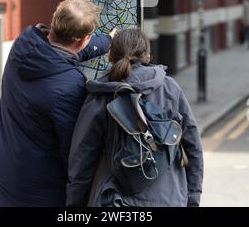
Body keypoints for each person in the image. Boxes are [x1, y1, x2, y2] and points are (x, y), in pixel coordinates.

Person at [0, 0, 114, 207]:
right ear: (83, 40)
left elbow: (58, 54)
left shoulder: (24, 44)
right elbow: (74, 151)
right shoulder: (69, 86)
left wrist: (106, 42)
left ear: (54, 20)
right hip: (38, 184)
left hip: (5, 164)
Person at [67, 28, 204, 207]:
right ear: (148, 57)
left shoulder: (100, 94)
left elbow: (82, 158)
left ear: (110, 56)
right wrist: (193, 197)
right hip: (170, 198)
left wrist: (74, 204)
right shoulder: (170, 88)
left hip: (116, 200)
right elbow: (193, 146)